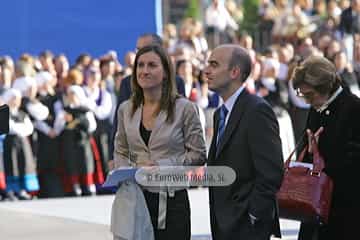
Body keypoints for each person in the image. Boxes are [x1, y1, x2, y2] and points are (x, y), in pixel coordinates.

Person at [111, 45, 206, 240]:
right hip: (135, 198)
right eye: (140, 65)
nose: (144, 71)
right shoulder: (125, 109)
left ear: (165, 73)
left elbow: (198, 154)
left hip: (171, 201)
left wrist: (163, 166)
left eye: (152, 65)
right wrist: (127, 171)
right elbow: (121, 150)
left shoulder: (185, 108)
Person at [204, 44, 284, 240]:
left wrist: (254, 215)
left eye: (214, 65)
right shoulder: (219, 114)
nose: (206, 71)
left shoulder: (257, 110)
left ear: (234, 72)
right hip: (223, 224)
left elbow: (271, 172)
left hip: (248, 227)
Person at [292, 56, 360, 240]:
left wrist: (322, 158)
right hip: (314, 208)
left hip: (344, 211)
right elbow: (307, 150)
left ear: (325, 88)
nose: (306, 100)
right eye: (303, 95)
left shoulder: (353, 108)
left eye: (310, 95)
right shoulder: (316, 107)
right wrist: (310, 154)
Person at [109, 33, 185, 168]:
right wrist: (112, 156)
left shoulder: (176, 82)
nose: (139, 54)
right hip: (137, 161)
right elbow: (119, 123)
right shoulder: (128, 83)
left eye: (143, 49)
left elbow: (181, 123)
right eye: (137, 50)